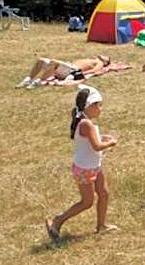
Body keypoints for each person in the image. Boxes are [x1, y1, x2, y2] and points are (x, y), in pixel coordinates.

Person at [45, 86, 118, 240]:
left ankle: (101, 226)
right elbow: (96, 146)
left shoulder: (86, 121)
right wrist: (111, 143)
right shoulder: (86, 124)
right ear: (89, 106)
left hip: (94, 166)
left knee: (104, 194)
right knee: (87, 202)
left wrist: (102, 137)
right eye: (98, 105)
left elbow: (91, 139)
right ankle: (57, 221)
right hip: (85, 169)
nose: (100, 108)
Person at [16, 55, 111, 88]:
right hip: (68, 66)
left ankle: (38, 82)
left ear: (106, 61)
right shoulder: (93, 59)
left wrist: (82, 74)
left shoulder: (100, 63)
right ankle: (29, 80)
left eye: (106, 57)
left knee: (54, 63)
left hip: (72, 70)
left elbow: (94, 71)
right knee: (41, 60)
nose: (103, 55)